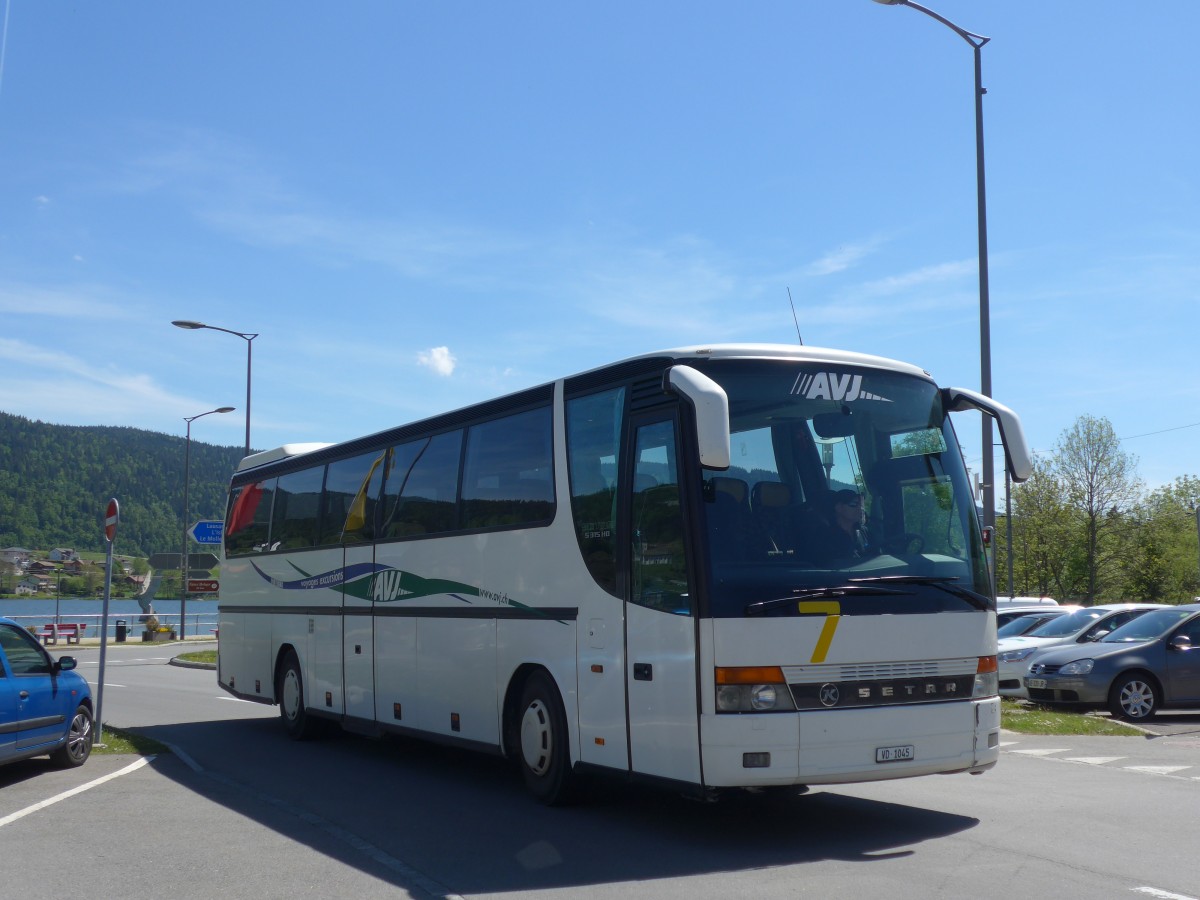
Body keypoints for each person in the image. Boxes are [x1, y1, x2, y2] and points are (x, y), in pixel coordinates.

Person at [812, 488, 867, 560]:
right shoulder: (825, 537)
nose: (860, 508)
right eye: (853, 504)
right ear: (838, 507)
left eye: (861, 505)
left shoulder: (863, 531)